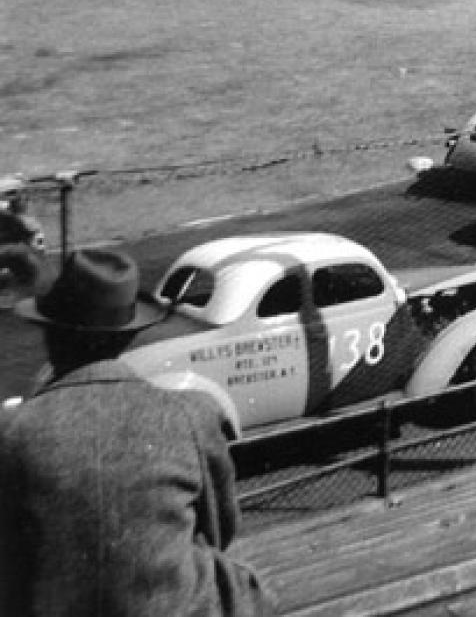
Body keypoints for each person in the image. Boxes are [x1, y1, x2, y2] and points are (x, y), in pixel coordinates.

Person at [0, 248, 274, 616]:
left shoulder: (14, 431)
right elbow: (219, 530)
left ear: (51, 336)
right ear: (126, 338)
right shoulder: (190, 413)